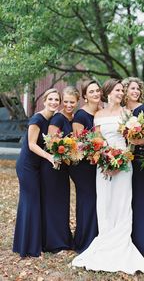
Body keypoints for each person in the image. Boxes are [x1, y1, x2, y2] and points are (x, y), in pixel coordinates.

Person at [71, 78, 144, 274]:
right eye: (117, 90)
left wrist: (120, 159)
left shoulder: (128, 114)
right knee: (105, 202)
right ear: (108, 93)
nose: (121, 93)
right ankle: (106, 238)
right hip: (103, 164)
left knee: (122, 202)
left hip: (124, 163)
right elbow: (97, 141)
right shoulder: (98, 114)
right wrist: (105, 159)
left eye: (122, 90)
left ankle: (121, 243)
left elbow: (132, 142)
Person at [13, 88, 61, 257]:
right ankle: (29, 248)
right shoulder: (37, 119)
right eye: (51, 99)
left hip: (37, 166)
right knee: (30, 202)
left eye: (57, 99)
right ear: (44, 101)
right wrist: (50, 157)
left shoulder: (51, 119)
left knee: (34, 202)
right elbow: (32, 145)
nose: (54, 102)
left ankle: (30, 243)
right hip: (27, 166)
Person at [40, 86, 79, 253]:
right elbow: (50, 143)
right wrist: (64, 151)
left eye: (72, 102)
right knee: (54, 203)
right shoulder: (58, 118)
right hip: (53, 166)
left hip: (64, 168)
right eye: (66, 102)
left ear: (78, 102)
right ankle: (54, 243)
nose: (68, 105)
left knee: (62, 203)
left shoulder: (73, 118)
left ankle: (63, 239)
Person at [122, 77, 144, 256]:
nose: (135, 91)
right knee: (129, 198)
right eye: (132, 88)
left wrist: (133, 140)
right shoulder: (123, 111)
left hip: (141, 158)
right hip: (125, 158)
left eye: (138, 89)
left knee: (141, 197)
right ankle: (129, 239)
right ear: (125, 90)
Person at [70, 80, 101, 253]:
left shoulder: (103, 112)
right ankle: (84, 241)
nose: (96, 93)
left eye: (97, 90)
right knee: (87, 200)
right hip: (82, 165)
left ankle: (97, 237)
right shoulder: (81, 115)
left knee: (98, 200)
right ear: (85, 96)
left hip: (97, 164)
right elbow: (77, 143)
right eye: (91, 91)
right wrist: (93, 152)